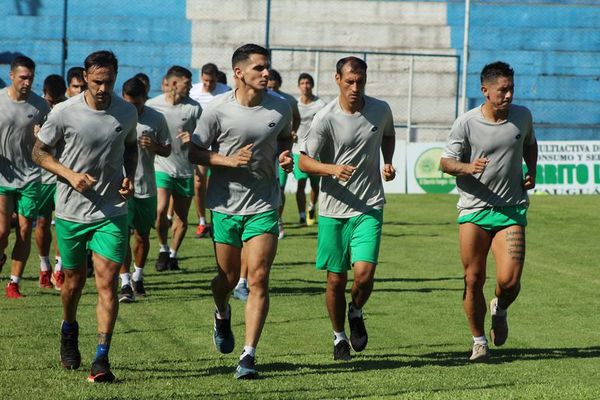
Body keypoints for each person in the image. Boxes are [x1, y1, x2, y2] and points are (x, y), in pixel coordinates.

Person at [189, 43, 293, 379]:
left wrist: (285, 157)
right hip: (225, 205)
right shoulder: (217, 110)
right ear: (238, 73)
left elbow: (284, 141)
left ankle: (248, 356)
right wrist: (228, 160)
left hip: (264, 203)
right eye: (259, 68)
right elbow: (195, 152)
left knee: (259, 277)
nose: (266, 74)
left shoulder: (281, 107)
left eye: (267, 68)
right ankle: (221, 312)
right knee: (228, 278)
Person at [33, 50, 138, 382]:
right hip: (71, 211)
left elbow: (131, 145)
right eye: (97, 82)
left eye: (109, 81)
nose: (103, 88)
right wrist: (69, 174)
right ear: (85, 78)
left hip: (111, 210)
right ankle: (69, 328)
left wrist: (128, 176)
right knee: (74, 283)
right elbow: (39, 152)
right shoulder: (64, 112)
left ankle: (102, 359)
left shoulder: (127, 111)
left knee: (107, 282)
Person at [298, 56, 396, 361]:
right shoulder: (325, 117)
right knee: (335, 280)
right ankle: (339, 336)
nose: (356, 87)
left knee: (364, 275)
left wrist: (388, 161)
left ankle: (356, 310)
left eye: (361, 81)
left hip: (369, 205)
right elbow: (303, 161)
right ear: (337, 79)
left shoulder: (380, 109)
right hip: (332, 210)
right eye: (350, 81)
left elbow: (388, 135)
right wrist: (331, 169)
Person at [440, 61, 538, 362]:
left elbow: (530, 145)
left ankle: (501, 307)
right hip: (474, 211)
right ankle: (479, 341)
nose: (508, 95)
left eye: (511, 89)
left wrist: (531, 171)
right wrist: (468, 167)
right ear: (485, 90)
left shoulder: (522, 117)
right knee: (473, 279)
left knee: (509, 282)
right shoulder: (466, 123)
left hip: (511, 210)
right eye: (502, 90)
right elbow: (445, 163)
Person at [0, 55, 50, 299]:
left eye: (31, 77)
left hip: (30, 176)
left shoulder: (40, 106)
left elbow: (52, 141)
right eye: (23, 77)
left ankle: (14, 283)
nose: (27, 82)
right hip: (2, 176)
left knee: (23, 231)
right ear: (11, 76)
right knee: (1, 232)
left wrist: (43, 137)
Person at [118, 77, 171, 302]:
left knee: (142, 236)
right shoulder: (115, 115)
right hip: (120, 187)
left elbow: (168, 150)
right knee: (121, 237)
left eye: (137, 104)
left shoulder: (156, 118)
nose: (132, 108)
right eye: (128, 103)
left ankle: (139, 277)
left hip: (146, 186)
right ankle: (125, 282)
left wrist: (155, 146)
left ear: (145, 99)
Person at [147, 66, 201, 271]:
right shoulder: (153, 106)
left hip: (186, 169)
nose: (190, 88)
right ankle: (162, 248)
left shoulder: (194, 108)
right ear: (173, 84)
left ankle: (173, 254)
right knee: (160, 210)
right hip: (161, 167)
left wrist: (193, 139)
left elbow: (206, 137)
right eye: (187, 84)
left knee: (182, 217)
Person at [189, 63, 231, 239]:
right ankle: (201, 221)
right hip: (202, 142)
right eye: (205, 81)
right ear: (201, 78)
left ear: (216, 78)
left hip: (221, 144)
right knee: (199, 183)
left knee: (221, 182)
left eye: (211, 81)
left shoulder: (226, 90)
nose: (208, 84)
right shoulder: (194, 91)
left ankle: (220, 219)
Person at [36, 74, 67, 290]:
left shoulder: (69, 109)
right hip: (41, 177)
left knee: (63, 224)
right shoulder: (37, 108)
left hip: (64, 176)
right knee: (42, 223)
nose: (53, 105)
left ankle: (60, 269)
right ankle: (44, 266)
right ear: (44, 94)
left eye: (57, 100)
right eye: (50, 101)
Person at [267, 69, 300, 239]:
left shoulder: (287, 100)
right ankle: (268, 220)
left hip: (282, 151)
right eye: (269, 86)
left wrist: (293, 131)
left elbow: (297, 117)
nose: (271, 89)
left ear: (279, 84)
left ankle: (278, 220)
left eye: (274, 85)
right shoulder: (261, 100)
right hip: (266, 153)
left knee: (280, 188)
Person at [294, 72, 326, 226]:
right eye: (302, 83)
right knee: (300, 183)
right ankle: (301, 215)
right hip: (298, 150)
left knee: (314, 185)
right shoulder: (295, 105)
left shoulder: (320, 105)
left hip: (316, 151)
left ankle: (311, 207)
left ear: (312, 85)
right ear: (299, 86)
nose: (305, 86)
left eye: (308, 83)